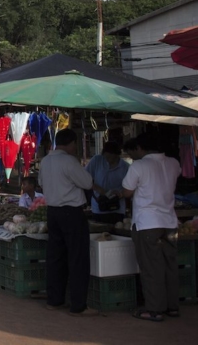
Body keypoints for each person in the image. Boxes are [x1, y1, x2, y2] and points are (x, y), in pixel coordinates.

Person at [38, 128, 99, 316]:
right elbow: (87, 182)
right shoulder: (69, 161)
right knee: (77, 258)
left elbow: (41, 182)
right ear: (71, 143)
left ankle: (54, 300)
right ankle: (78, 305)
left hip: (53, 212)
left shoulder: (45, 161)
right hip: (71, 213)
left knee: (56, 256)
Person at [122, 134, 181, 322]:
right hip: (170, 222)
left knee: (151, 268)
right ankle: (172, 306)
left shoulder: (139, 166)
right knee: (170, 266)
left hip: (147, 223)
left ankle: (154, 309)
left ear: (140, 148)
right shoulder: (173, 163)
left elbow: (126, 192)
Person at [85, 141, 130, 224]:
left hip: (117, 208)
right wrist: (100, 190)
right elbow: (84, 178)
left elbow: (130, 188)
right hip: (98, 207)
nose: (108, 160)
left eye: (111, 158)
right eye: (106, 157)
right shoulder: (97, 160)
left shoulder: (125, 167)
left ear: (117, 155)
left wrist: (120, 194)